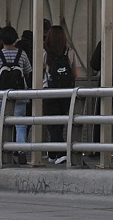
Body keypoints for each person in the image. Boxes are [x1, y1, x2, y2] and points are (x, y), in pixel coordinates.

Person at [0, 25, 32, 165]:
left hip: (3, 95)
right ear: (15, 38)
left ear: (1, 39)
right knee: (20, 124)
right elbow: (27, 72)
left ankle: (4, 151)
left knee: (4, 123)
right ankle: (21, 152)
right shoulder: (22, 54)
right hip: (19, 93)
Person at [41, 25, 79, 163]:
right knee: (62, 122)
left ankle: (62, 152)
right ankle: (52, 153)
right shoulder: (70, 52)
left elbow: (38, 73)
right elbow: (75, 74)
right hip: (66, 91)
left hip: (49, 91)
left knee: (52, 123)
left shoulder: (44, 53)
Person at [90, 21, 113, 150]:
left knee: (101, 115)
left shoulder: (105, 42)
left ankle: (98, 148)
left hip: (106, 83)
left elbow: (94, 64)